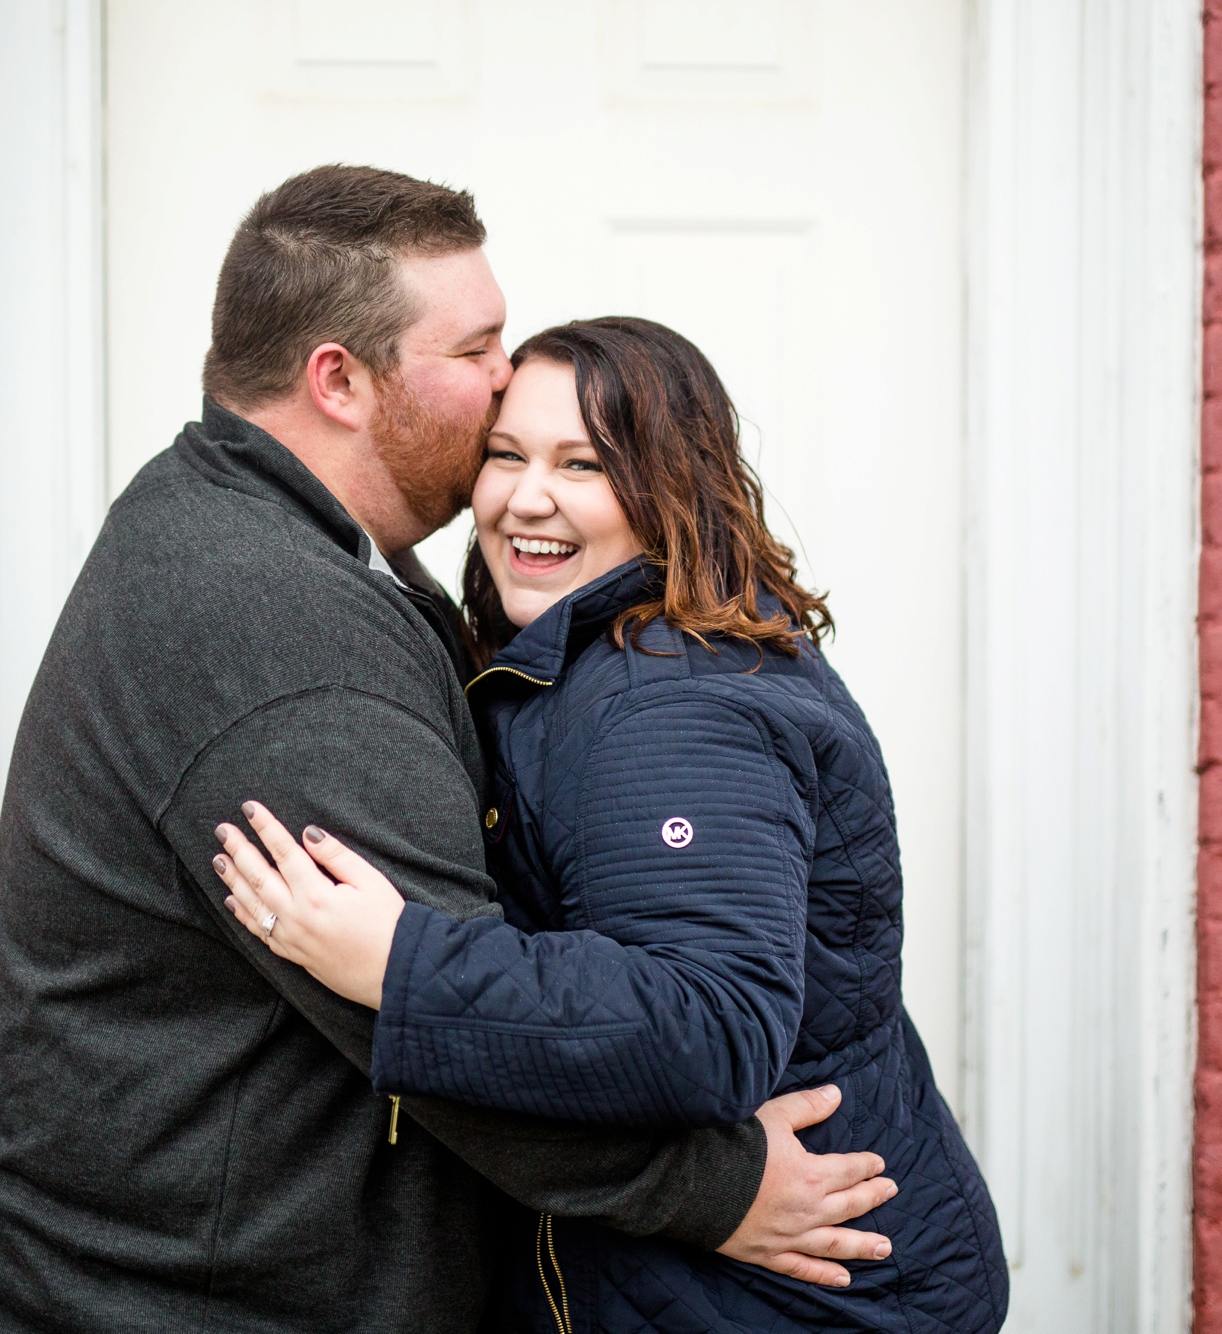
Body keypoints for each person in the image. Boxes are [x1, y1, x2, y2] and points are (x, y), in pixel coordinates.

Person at [0, 169, 900, 1332]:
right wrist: (716, 1185)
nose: (504, 375)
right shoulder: (275, 622)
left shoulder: (280, 525)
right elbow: (444, 1038)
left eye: (581, 458)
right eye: (476, 348)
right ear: (339, 379)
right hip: (158, 1290)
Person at [213, 317, 1009, 1333]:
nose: (525, 496)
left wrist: (401, 961)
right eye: (505, 455)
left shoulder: (664, 703)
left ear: (667, 487)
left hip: (793, 1296)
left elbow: (707, 1020)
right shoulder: (598, 655)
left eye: (581, 464)